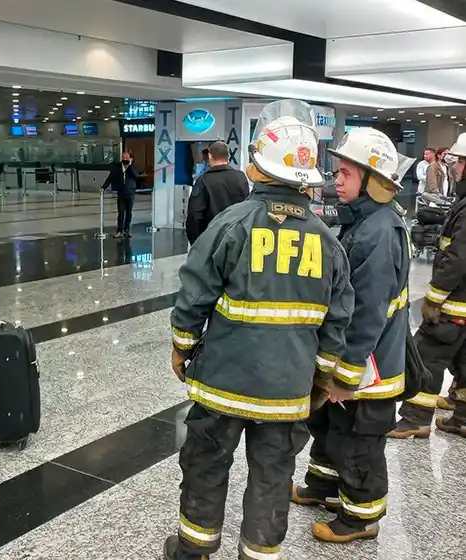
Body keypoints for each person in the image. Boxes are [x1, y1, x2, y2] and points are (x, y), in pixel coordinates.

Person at [163, 100, 354, 560]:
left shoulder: (231, 225)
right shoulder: (329, 242)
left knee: (206, 464)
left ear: (260, 165)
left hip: (223, 384)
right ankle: (259, 553)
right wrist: (322, 376)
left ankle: (195, 549)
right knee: (273, 475)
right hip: (287, 391)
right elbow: (338, 318)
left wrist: (181, 347)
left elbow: (195, 293)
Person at [292, 128, 411, 544]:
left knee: (357, 441)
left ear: (373, 180)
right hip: (353, 359)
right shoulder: (364, 220)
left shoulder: (379, 232)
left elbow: (366, 314)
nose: (335, 180)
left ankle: (360, 517)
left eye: (345, 173)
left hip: (368, 367)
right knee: (328, 424)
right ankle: (323, 487)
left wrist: (345, 374)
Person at [390, 133, 466, 438]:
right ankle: (461, 418)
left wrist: (434, 297)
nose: (456, 167)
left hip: (455, 303)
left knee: (426, 353)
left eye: (461, 161)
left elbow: (458, 258)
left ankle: (415, 418)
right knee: (464, 360)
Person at [185, 141, 250, 245]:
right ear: (228, 157)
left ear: (210, 156)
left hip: (211, 241)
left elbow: (195, 214)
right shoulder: (241, 177)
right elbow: (247, 208)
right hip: (237, 240)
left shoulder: (203, 181)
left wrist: (195, 242)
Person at [101, 150, 139, 238]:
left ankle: (127, 230)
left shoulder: (134, 167)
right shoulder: (117, 167)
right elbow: (110, 178)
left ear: (131, 159)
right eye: (123, 157)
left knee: (129, 212)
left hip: (130, 193)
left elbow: (136, 176)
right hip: (121, 193)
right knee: (121, 212)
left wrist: (129, 166)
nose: (124, 159)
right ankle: (119, 231)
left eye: (126, 158)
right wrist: (103, 187)